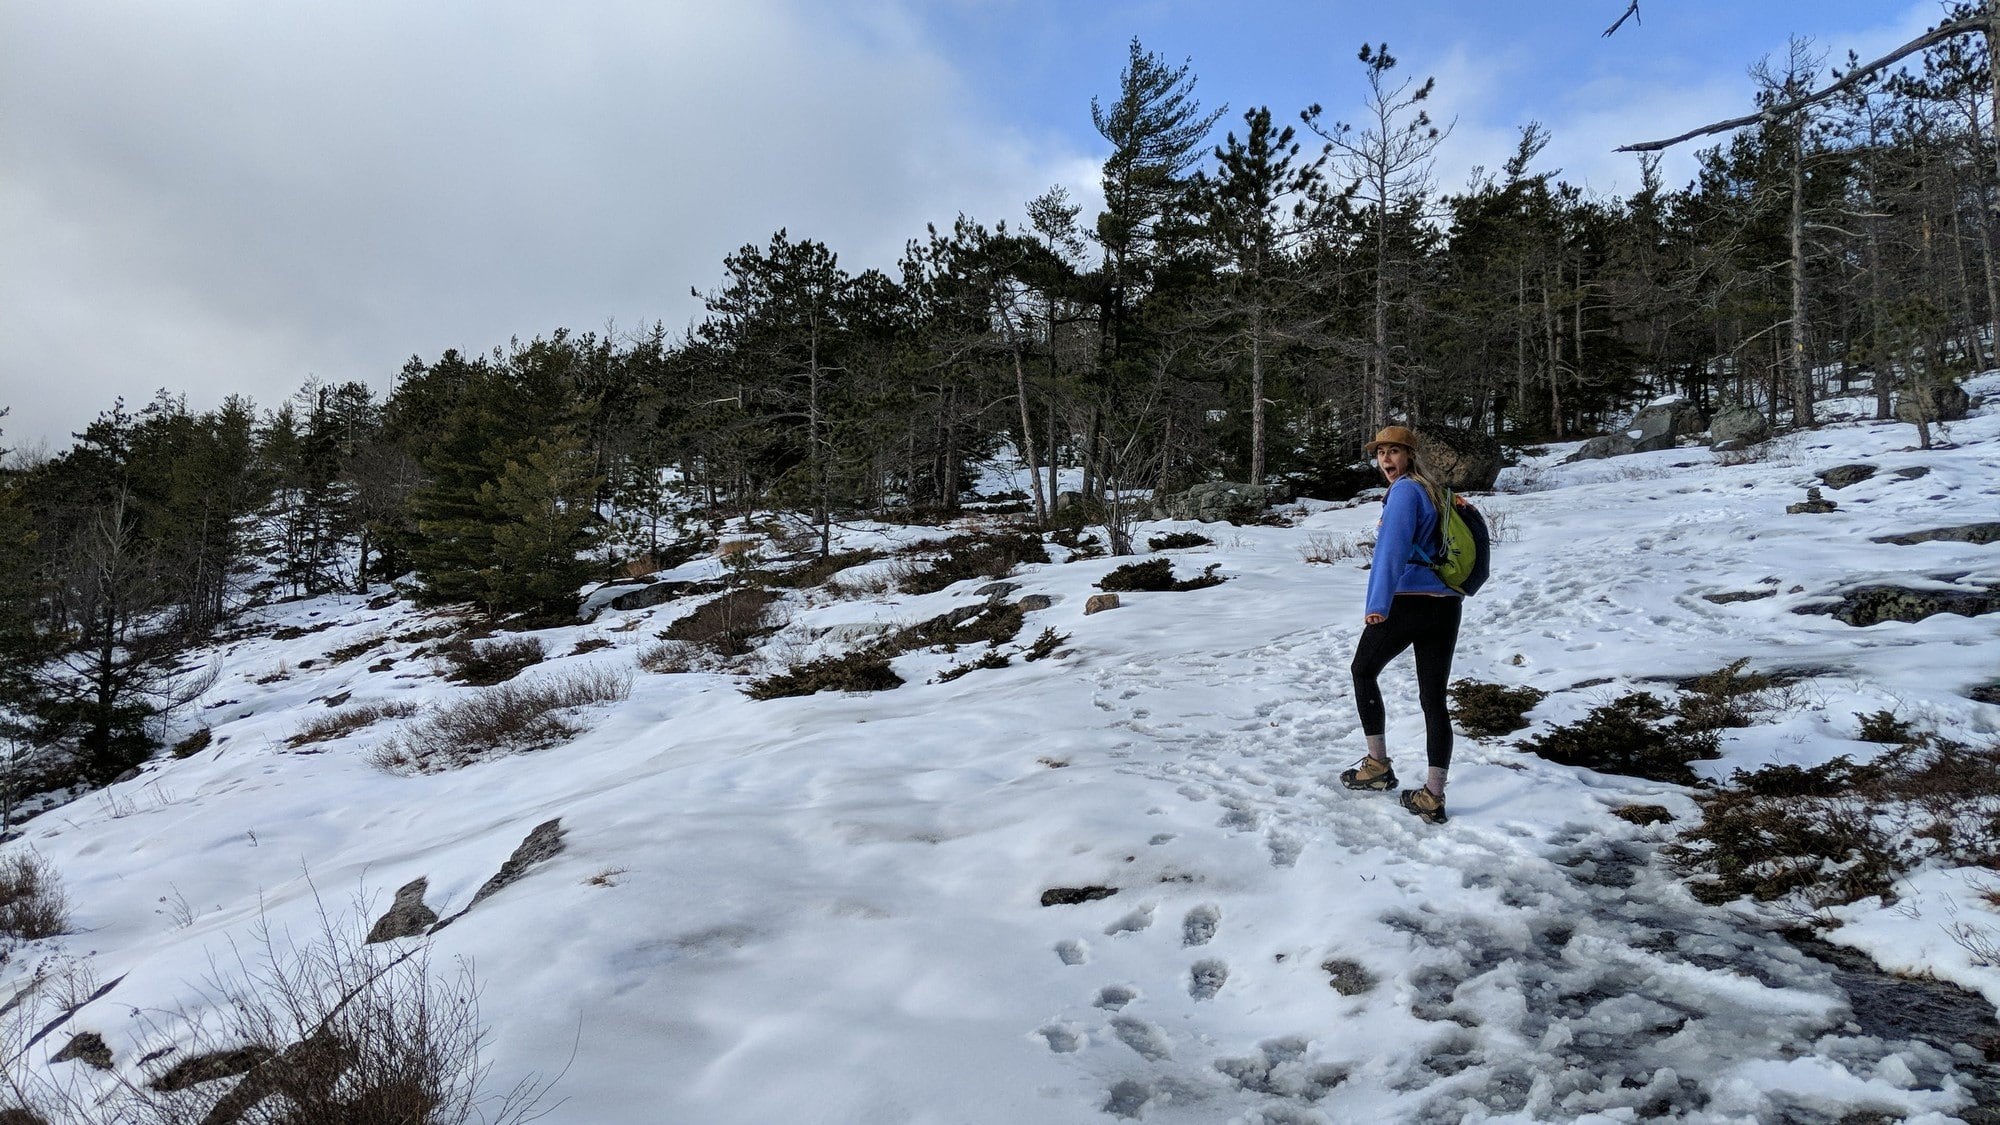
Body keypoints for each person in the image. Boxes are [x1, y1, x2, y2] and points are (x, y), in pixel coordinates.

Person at [1339, 425, 1463, 824]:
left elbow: (1390, 551)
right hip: (1445, 604)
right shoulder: (1435, 491)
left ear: (1409, 455)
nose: (1386, 460)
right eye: (1381, 453)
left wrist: (1377, 604)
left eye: (1394, 452)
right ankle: (1433, 794)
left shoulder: (1406, 491)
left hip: (1408, 602)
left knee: (1362, 671)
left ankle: (1377, 767)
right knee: (1433, 699)